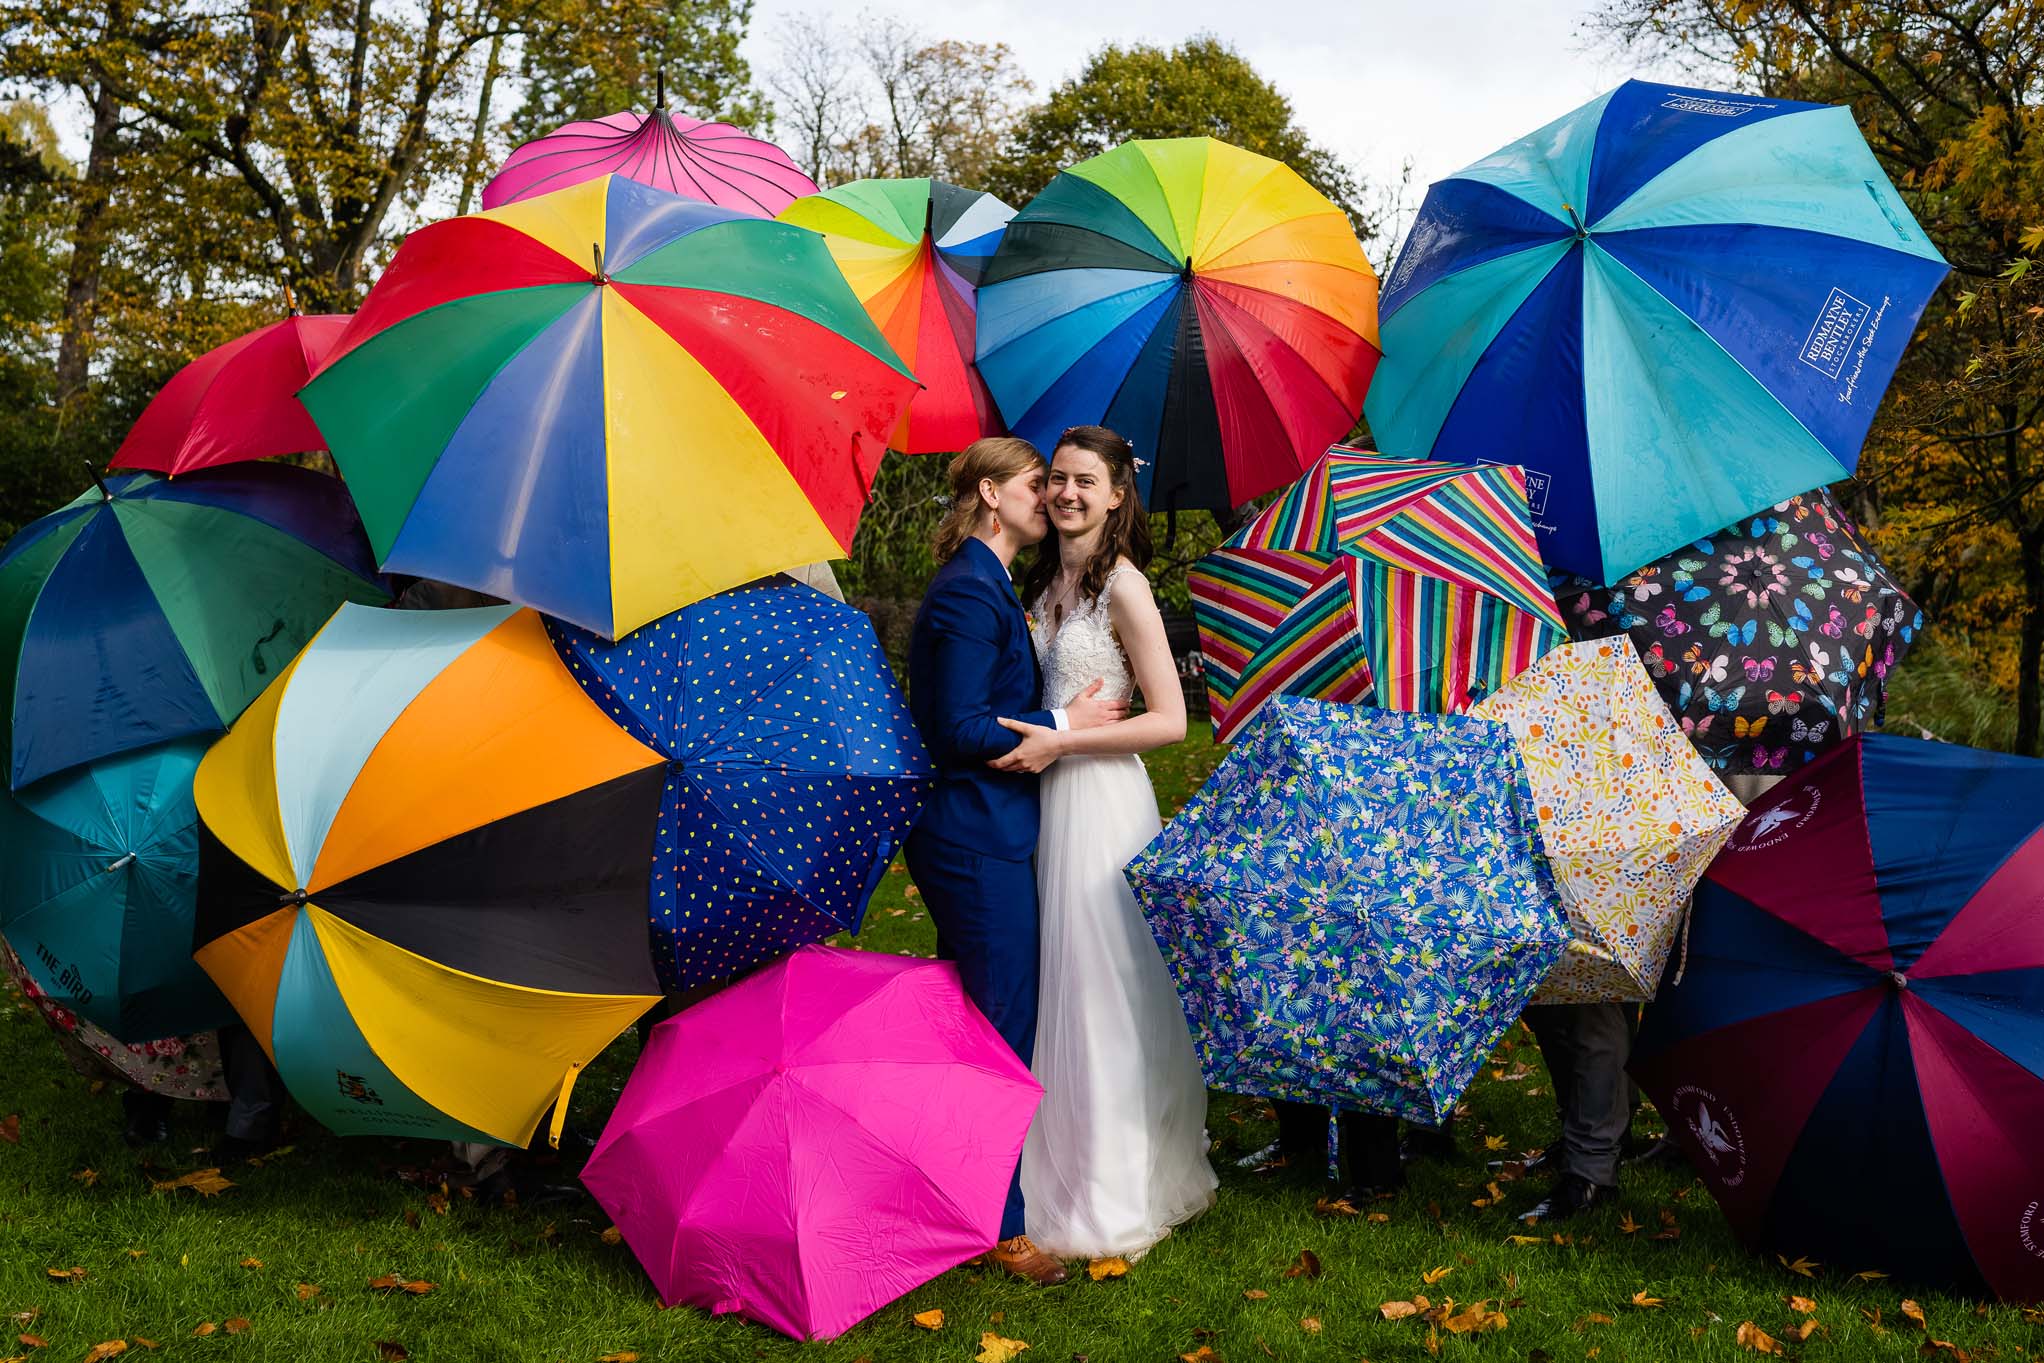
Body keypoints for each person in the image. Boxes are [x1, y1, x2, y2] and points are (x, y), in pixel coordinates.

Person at [988, 425, 1218, 1262]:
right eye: (1056, 479)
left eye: (1085, 481)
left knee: (1101, 991)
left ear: (1119, 493)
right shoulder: (1045, 579)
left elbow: (1171, 718)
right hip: (1048, 798)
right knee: (1057, 984)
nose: (1067, 494)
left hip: (1102, 798)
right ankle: (1050, 1162)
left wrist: (1065, 742)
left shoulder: (1123, 587)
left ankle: (1113, 1189)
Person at [903, 436, 1125, 1287]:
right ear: (993, 495)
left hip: (988, 830)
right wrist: (1064, 726)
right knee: (1001, 1022)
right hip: (972, 836)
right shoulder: (967, 593)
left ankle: (948, 1181)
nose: (1054, 495)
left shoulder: (993, 584)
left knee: (978, 1014)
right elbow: (957, 727)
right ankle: (998, 1224)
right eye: (1040, 484)